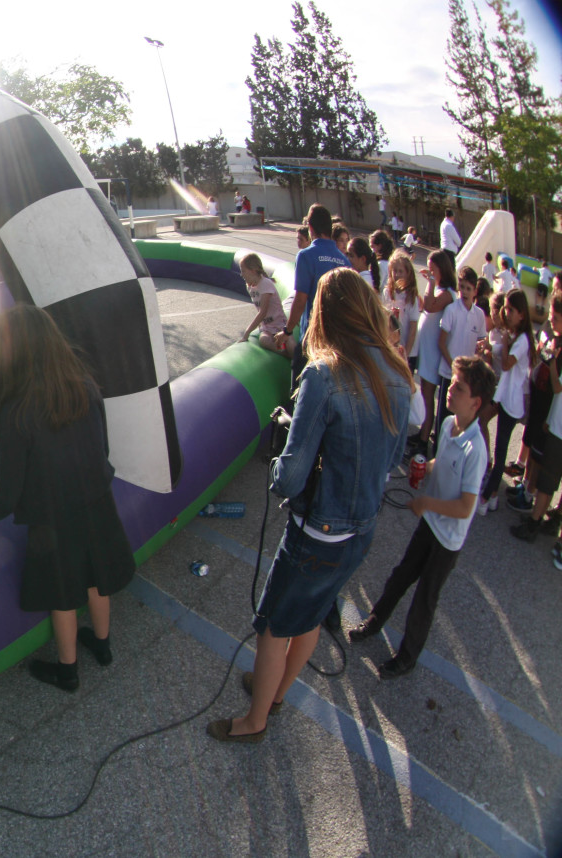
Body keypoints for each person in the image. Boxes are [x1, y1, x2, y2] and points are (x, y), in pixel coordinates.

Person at [208, 269, 412, 741]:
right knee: (313, 614)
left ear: (326, 314)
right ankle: (274, 691)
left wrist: (279, 459)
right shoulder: (398, 372)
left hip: (317, 531)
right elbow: (394, 457)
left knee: (274, 625)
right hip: (360, 530)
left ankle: (255, 721)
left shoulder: (324, 374)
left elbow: (291, 478)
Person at [0, 305, 135, 692]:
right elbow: (102, 447)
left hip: (53, 516)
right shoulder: (83, 384)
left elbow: (11, 483)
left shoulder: (18, 410)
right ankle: (103, 646)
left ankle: (67, 670)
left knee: (63, 592)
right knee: (96, 578)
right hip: (98, 500)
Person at [351, 356, 494, 677]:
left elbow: (465, 507)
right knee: (401, 575)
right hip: (430, 525)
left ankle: (406, 658)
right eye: (452, 383)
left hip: (447, 541)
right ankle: (374, 623)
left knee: (425, 597)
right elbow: (440, 466)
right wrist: (422, 469)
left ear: (476, 402)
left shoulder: (477, 450)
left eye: (459, 387)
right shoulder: (446, 424)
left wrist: (426, 503)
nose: (450, 390)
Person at [275, 204, 350, 384]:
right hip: (336, 340)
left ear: (310, 228)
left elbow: (301, 299)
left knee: (300, 383)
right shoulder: (345, 260)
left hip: (313, 335)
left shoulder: (307, 255)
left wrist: (287, 330)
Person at [510, 290, 562, 549]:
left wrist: (551, 365)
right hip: (554, 420)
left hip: (559, 428)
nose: (550, 320)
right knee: (550, 476)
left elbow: (558, 387)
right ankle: (552, 519)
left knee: (548, 478)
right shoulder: (557, 340)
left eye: (554, 316)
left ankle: (534, 522)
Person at [477, 290, 534, 515]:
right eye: (506, 309)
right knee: (482, 420)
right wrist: (488, 346)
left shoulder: (522, 340)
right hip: (503, 397)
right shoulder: (514, 336)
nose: (506, 313)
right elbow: (499, 350)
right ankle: (490, 495)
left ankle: (486, 496)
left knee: (501, 451)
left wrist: (505, 342)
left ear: (522, 314)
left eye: (512, 310)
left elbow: (509, 363)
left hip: (511, 403)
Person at [411, 251, 459, 455]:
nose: (430, 271)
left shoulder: (448, 292)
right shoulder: (440, 289)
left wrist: (429, 283)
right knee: (424, 393)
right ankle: (423, 430)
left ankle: (424, 440)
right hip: (427, 349)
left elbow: (430, 307)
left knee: (429, 395)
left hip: (433, 352)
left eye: (433, 268)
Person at [436, 267, 487, 446]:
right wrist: (453, 366)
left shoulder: (479, 315)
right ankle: (438, 452)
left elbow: (481, 342)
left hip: (467, 380)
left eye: (468, 288)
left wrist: (481, 349)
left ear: (475, 291)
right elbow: (441, 342)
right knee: (444, 418)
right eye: (462, 287)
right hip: (449, 373)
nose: (464, 292)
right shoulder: (451, 310)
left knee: (461, 420)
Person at [238, 253, 289, 356]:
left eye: (243, 271)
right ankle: (284, 354)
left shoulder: (265, 283)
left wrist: (247, 333)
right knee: (264, 340)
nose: (241, 274)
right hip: (267, 327)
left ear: (253, 270)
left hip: (280, 325)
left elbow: (262, 312)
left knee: (291, 345)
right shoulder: (250, 287)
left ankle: (294, 358)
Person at [386, 250, 423, 373]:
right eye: (394, 270)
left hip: (408, 350)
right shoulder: (387, 292)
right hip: (391, 348)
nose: (397, 274)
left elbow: (412, 330)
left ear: (408, 274)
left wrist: (405, 354)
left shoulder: (411, 297)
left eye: (400, 271)